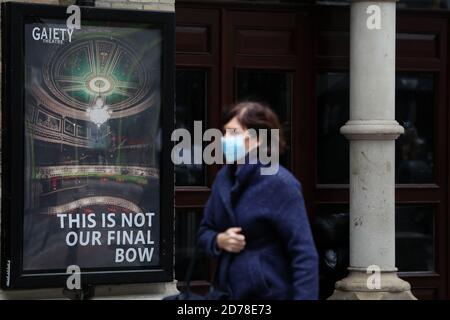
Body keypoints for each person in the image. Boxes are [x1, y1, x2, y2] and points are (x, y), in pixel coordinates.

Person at [197, 101, 319, 300]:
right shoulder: (223, 179)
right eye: (224, 132)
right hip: (226, 293)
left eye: (233, 133)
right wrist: (220, 240)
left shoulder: (280, 183)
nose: (224, 139)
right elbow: (204, 231)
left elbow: (303, 254)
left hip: (270, 294)